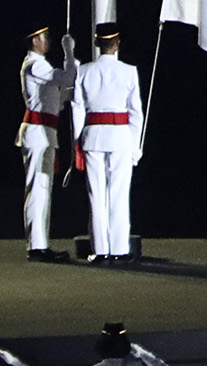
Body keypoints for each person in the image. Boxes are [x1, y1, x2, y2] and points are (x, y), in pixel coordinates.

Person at [73, 22, 143, 261]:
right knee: (119, 194)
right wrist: (135, 145)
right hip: (121, 137)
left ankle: (101, 250)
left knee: (97, 196)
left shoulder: (84, 71)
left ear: (96, 42)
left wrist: (77, 140)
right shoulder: (129, 71)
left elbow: (77, 110)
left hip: (93, 136)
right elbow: (136, 113)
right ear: (118, 43)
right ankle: (120, 249)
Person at [17, 24, 77, 260]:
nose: (48, 41)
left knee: (43, 189)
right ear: (34, 41)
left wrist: (67, 94)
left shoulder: (38, 65)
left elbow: (55, 99)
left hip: (44, 132)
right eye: (44, 37)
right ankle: (37, 246)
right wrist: (69, 53)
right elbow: (67, 77)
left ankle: (40, 244)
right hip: (38, 133)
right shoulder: (36, 64)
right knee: (38, 190)